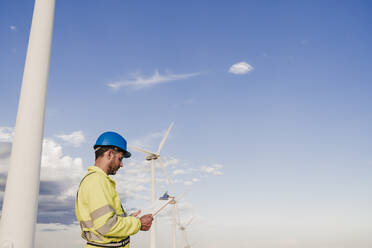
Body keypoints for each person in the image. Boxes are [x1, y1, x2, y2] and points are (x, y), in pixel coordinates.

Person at [75, 131, 153, 248]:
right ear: (110, 154)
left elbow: (104, 220)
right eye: (120, 159)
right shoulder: (97, 181)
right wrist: (138, 223)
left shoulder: (99, 180)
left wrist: (127, 220)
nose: (121, 164)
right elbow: (107, 226)